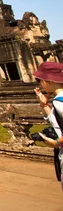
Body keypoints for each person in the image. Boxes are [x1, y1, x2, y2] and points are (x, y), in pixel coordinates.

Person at [33, 61, 63, 190]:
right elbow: (59, 124)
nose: (40, 84)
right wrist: (45, 105)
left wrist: (56, 143)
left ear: (48, 80)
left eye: (40, 80)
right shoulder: (58, 100)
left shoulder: (59, 102)